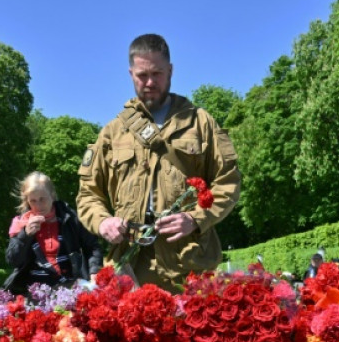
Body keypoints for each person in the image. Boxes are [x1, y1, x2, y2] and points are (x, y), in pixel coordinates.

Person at [76, 33, 241, 292]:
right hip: (129, 267)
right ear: (131, 73)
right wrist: (103, 222)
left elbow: (228, 183)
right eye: (142, 75)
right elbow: (88, 195)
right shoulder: (112, 132)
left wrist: (196, 218)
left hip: (189, 265)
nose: (150, 82)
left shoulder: (200, 123)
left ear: (171, 70)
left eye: (158, 73)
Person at [3, 172, 103, 294]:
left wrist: (94, 271)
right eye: (33, 201)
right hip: (33, 291)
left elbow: (92, 246)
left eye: (42, 199)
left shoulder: (69, 218)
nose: (38, 205)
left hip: (70, 288)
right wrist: (25, 235)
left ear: (52, 195)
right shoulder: (21, 223)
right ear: (27, 201)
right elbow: (13, 260)